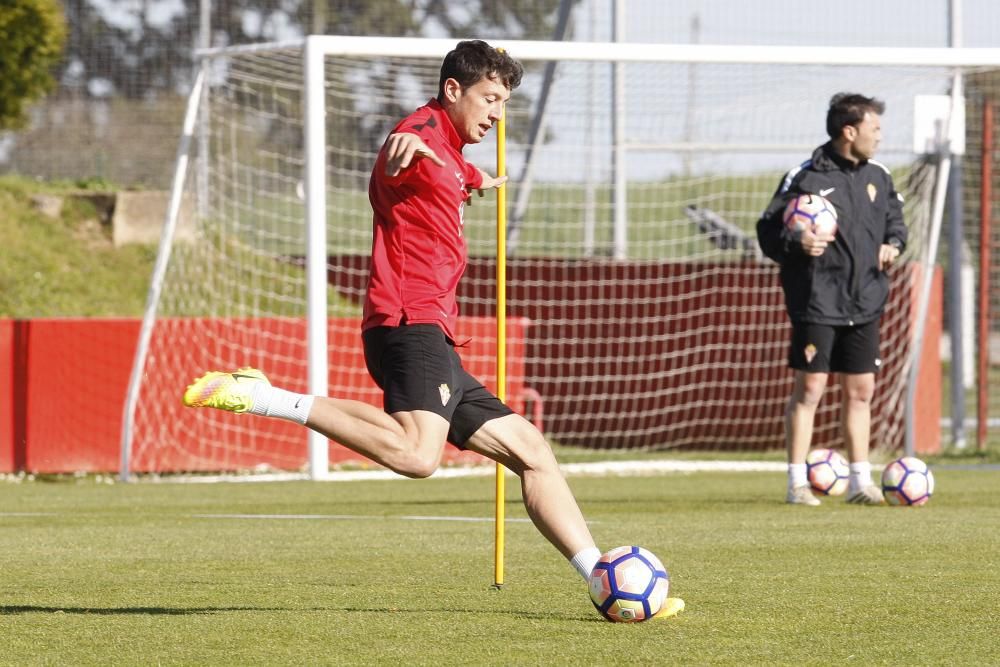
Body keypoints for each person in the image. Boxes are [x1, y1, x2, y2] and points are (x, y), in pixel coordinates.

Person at [182, 40, 619, 600]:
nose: (497, 114)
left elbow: (450, 168)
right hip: (408, 322)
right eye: (489, 98)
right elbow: (399, 151)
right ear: (452, 90)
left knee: (532, 452)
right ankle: (265, 396)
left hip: (434, 331)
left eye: (504, 102)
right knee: (417, 456)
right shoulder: (418, 135)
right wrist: (401, 148)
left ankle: (603, 581)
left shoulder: (451, 149)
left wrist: (474, 179)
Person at [756, 92, 907, 506]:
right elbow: (768, 231)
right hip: (818, 300)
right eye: (874, 129)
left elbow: (896, 222)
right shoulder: (804, 177)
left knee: (861, 390)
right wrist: (797, 239)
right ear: (849, 131)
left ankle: (861, 481)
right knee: (811, 389)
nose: (880, 136)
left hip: (866, 300)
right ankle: (796, 483)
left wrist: (894, 242)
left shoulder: (880, 175)